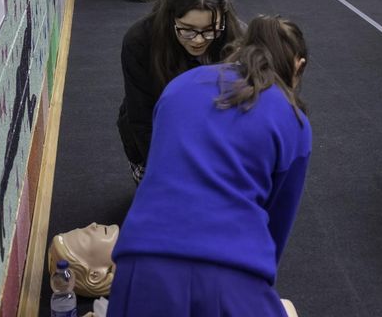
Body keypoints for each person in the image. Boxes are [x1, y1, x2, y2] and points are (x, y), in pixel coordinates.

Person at [108, 16, 311, 316]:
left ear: (241, 47)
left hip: (140, 258)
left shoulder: (179, 86)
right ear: (298, 65)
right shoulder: (293, 119)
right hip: (230, 270)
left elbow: (158, 163)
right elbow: (276, 225)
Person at [116, 0, 243, 183]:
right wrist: (168, 175)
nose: (198, 40)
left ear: (224, 17)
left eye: (209, 30)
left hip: (214, 137)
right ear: (170, 16)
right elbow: (141, 119)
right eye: (187, 29)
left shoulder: (239, 39)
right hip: (158, 136)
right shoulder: (139, 41)